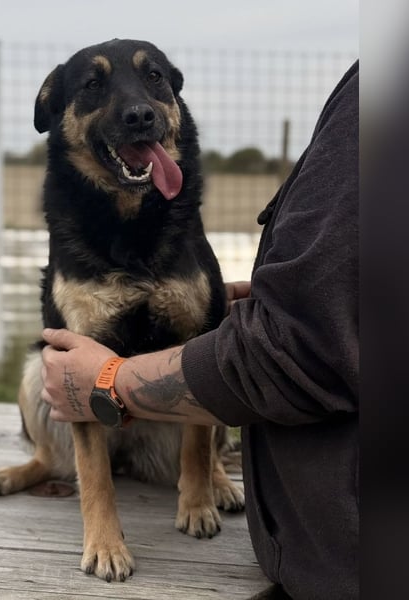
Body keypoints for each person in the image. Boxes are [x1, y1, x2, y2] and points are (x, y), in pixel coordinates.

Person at [40, 61, 359, 600]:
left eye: (154, 82)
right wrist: (283, 304)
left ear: (174, 103)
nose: (137, 106)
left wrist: (197, 470)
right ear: (58, 112)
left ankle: (200, 469)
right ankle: (52, 472)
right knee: (41, 373)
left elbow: (297, 347)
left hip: (336, 551)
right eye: (95, 88)